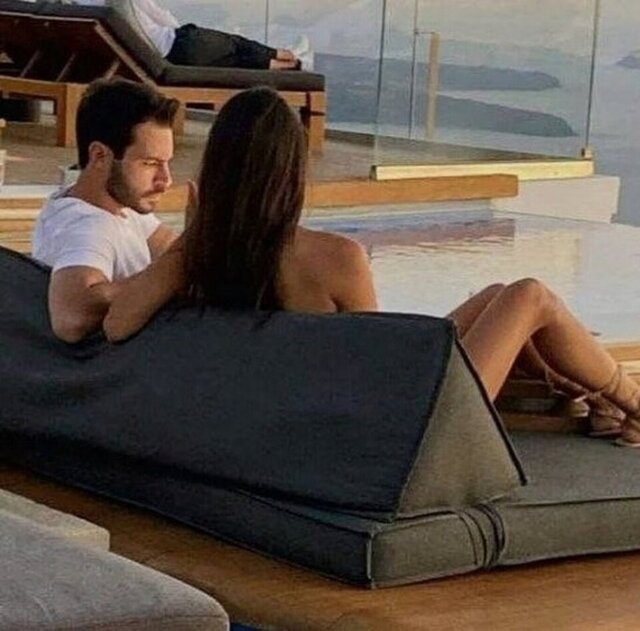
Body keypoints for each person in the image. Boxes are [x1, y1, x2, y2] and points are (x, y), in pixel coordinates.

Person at [103, 87, 640, 448]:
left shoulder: (200, 256)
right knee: (529, 296)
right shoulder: (335, 257)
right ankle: (632, 402)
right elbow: (376, 364)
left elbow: (117, 323)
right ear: (291, 170)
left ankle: (597, 400)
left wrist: (198, 231)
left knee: (498, 297)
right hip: (399, 432)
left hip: (314, 415)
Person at [32, 78, 183, 343]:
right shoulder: (88, 227)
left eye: (166, 163)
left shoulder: (118, 205)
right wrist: (166, 278)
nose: (166, 180)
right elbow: (71, 316)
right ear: (100, 156)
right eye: (150, 163)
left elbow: (173, 248)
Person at [81, 0, 312, 70]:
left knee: (236, 61)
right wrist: (181, 30)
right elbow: (162, 16)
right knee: (237, 43)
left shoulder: (86, 6)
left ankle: (294, 65)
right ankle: (289, 53)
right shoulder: (121, 2)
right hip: (179, 43)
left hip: (171, 57)